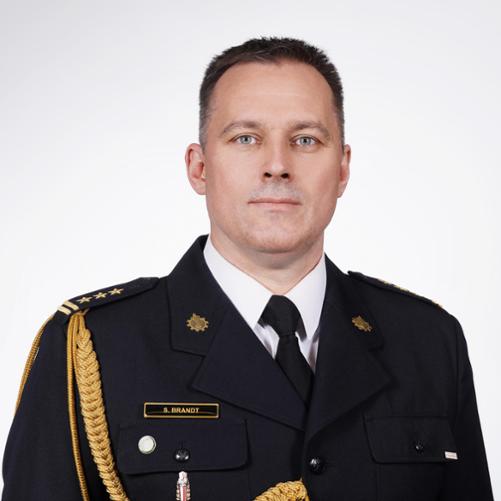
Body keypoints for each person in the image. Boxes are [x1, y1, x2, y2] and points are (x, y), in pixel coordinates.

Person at [1, 36, 494, 501]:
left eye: (306, 140)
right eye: (245, 138)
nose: (277, 165)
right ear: (199, 168)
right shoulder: (98, 346)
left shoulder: (429, 343)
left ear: (343, 169)